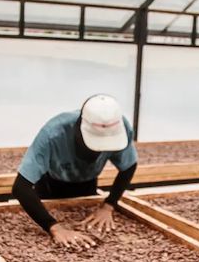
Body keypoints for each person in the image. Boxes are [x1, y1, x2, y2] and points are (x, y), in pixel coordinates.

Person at [12, 94, 138, 250]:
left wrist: (108, 206)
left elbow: (129, 165)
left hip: (88, 183)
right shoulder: (53, 134)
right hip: (51, 184)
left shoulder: (118, 127)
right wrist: (53, 227)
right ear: (79, 128)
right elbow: (20, 187)